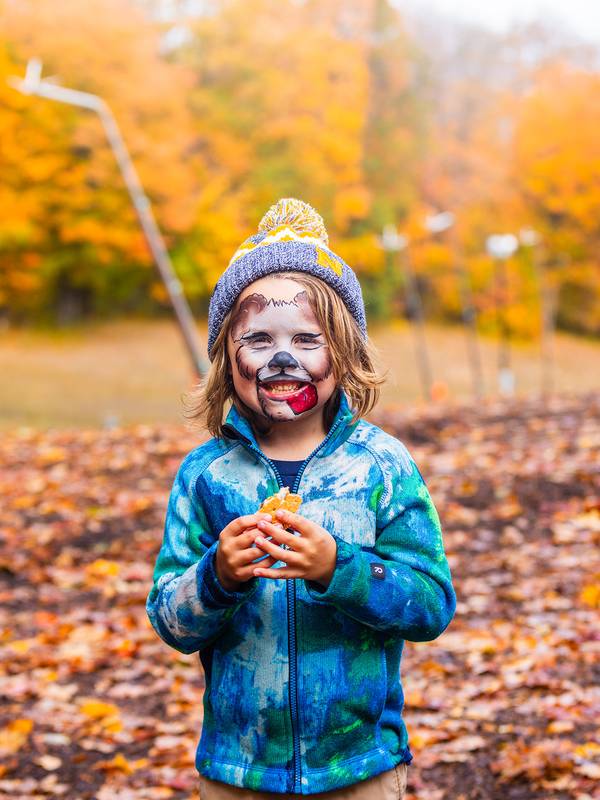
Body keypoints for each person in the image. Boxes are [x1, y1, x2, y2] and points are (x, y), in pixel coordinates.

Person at [145, 198, 456, 799]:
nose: (281, 358)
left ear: (342, 353)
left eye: (306, 339)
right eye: (258, 338)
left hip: (359, 767)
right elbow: (170, 620)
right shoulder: (207, 475)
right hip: (240, 772)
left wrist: (338, 568)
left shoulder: (380, 466)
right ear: (225, 359)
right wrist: (217, 577)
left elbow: (430, 605)